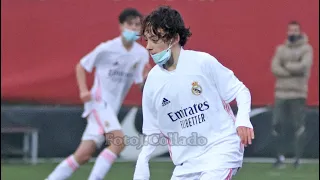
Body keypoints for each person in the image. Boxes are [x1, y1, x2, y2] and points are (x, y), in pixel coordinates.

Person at [133, 6, 254, 180]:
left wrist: (243, 119)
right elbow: (152, 132)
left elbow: (240, 90)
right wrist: (142, 163)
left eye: (154, 40)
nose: (148, 47)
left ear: (174, 38)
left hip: (221, 149)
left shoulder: (202, 62)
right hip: (186, 163)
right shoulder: (152, 82)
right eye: (146, 40)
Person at [46, 8, 149, 180]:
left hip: (111, 108)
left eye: (137, 25)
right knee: (118, 141)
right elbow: (81, 65)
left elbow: (140, 83)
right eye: (129, 24)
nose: (133, 28)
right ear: (121, 26)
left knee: (83, 155)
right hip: (99, 102)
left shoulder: (141, 54)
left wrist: (148, 79)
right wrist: (83, 90)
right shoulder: (107, 48)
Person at [271, 20, 313, 169]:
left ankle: (297, 159)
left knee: (298, 127)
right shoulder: (280, 49)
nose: (292, 32)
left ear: (299, 32)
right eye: (290, 30)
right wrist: (291, 70)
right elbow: (275, 67)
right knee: (278, 125)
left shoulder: (307, 49)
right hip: (281, 93)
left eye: (295, 30)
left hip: (298, 93)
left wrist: (286, 66)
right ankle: (280, 158)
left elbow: (304, 66)